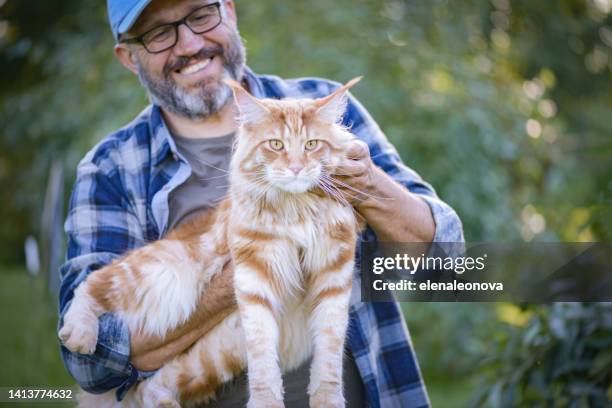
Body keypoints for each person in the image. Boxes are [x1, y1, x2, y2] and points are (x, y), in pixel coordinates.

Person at [58, 0, 464, 406]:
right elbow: (91, 364)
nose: (189, 43)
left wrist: (366, 184)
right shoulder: (110, 168)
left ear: (230, 12)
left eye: (200, 15)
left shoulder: (322, 104)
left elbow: (444, 257)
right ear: (129, 57)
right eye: (159, 33)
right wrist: (243, 273)